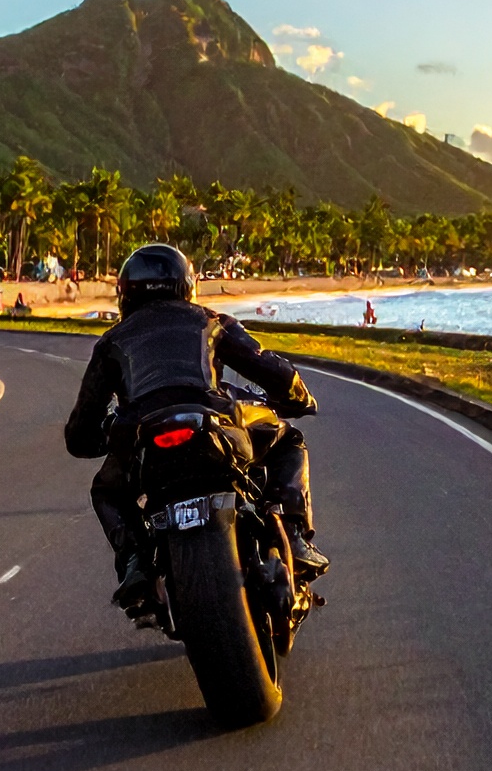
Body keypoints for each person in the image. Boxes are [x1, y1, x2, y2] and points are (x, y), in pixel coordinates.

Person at [64, 244, 326, 614]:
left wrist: (105, 434)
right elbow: (268, 368)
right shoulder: (209, 321)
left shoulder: (111, 341)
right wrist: (298, 398)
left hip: (141, 435)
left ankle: (136, 560)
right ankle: (294, 534)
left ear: (125, 292)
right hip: (212, 421)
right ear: (186, 285)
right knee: (288, 441)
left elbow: (80, 432)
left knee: (107, 492)